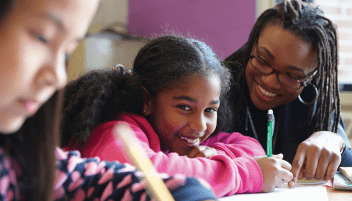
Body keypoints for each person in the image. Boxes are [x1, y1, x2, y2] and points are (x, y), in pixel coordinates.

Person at [0, 0, 218, 200]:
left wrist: (187, 191)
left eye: (67, 53)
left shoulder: (18, 158)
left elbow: (78, 179)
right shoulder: (115, 129)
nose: (58, 77)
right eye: (42, 37)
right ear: (147, 99)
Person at [61, 35, 293, 197]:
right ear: (147, 101)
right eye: (184, 107)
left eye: (210, 110)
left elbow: (252, 148)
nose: (200, 125)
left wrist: (214, 154)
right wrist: (246, 174)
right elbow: (149, 173)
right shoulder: (115, 129)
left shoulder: (181, 135)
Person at [224, 0, 352, 188]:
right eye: (263, 60)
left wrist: (334, 140)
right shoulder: (218, 88)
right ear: (253, 44)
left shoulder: (314, 96)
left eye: (292, 75)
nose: (270, 81)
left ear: (312, 76)